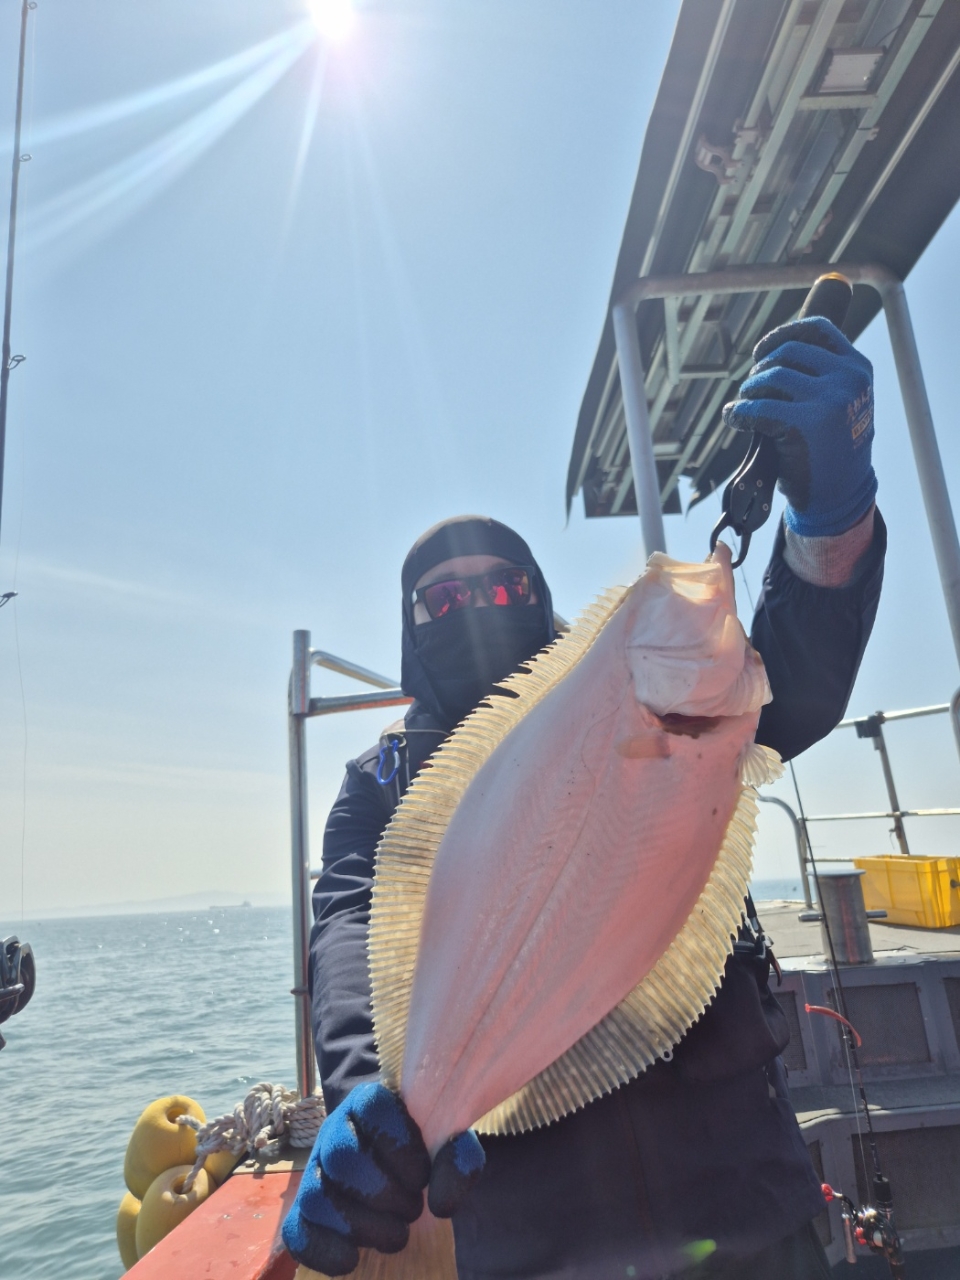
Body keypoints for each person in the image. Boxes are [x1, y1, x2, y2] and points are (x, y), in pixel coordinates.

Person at [283, 316, 885, 1279]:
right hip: (534, 1236)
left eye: (499, 584)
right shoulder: (380, 786)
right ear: (408, 630)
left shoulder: (632, 698)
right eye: (439, 600)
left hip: (740, 1197)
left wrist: (832, 521)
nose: (471, 608)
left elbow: (795, 678)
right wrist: (366, 1089)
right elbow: (352, 933)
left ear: (538, 594)